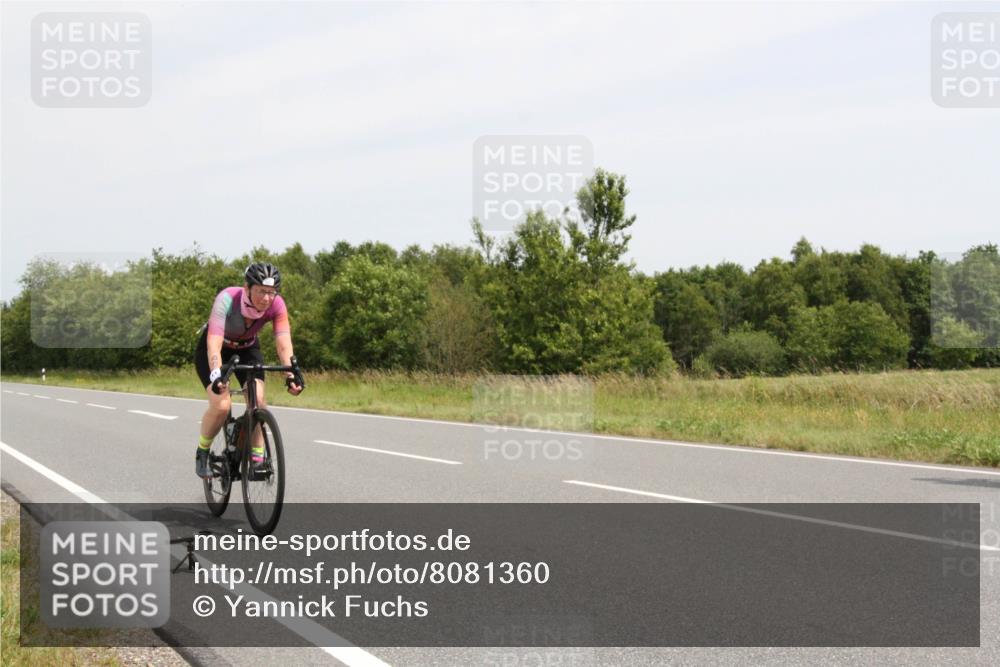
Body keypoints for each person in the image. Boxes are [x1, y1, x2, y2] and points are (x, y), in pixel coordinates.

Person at [194, 262, 303, 478]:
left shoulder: (277, 305)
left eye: (271, 292)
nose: (266, 298)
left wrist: (291, 373)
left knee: (258, 401)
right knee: (222, 405)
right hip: (216, 348)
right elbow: (213, 341)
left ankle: (257, 458)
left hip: (247, 348)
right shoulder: (227, 299)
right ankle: (203, 452)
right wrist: (216, 372)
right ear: (247, 287)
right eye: (261, 291)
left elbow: (283, 341)